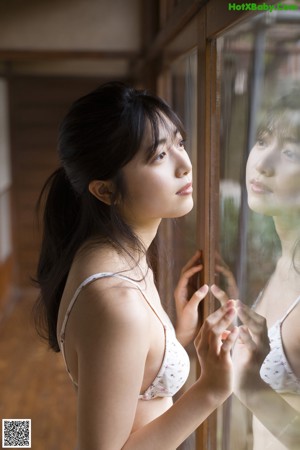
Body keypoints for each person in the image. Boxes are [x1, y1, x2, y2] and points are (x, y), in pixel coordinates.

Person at [34, 82, 239, 450]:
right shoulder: (117, 301)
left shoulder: (112, 252)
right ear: (105, 190)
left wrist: (173, 340)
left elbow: (132, 385)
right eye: (160, 156)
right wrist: (210, 390)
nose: (185, 164)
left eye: (179, 142)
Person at [212, 90, 300, 449]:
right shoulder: (286, 259)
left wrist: (249, 385)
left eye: (290, 152)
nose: (262, 161)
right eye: (262, 140)